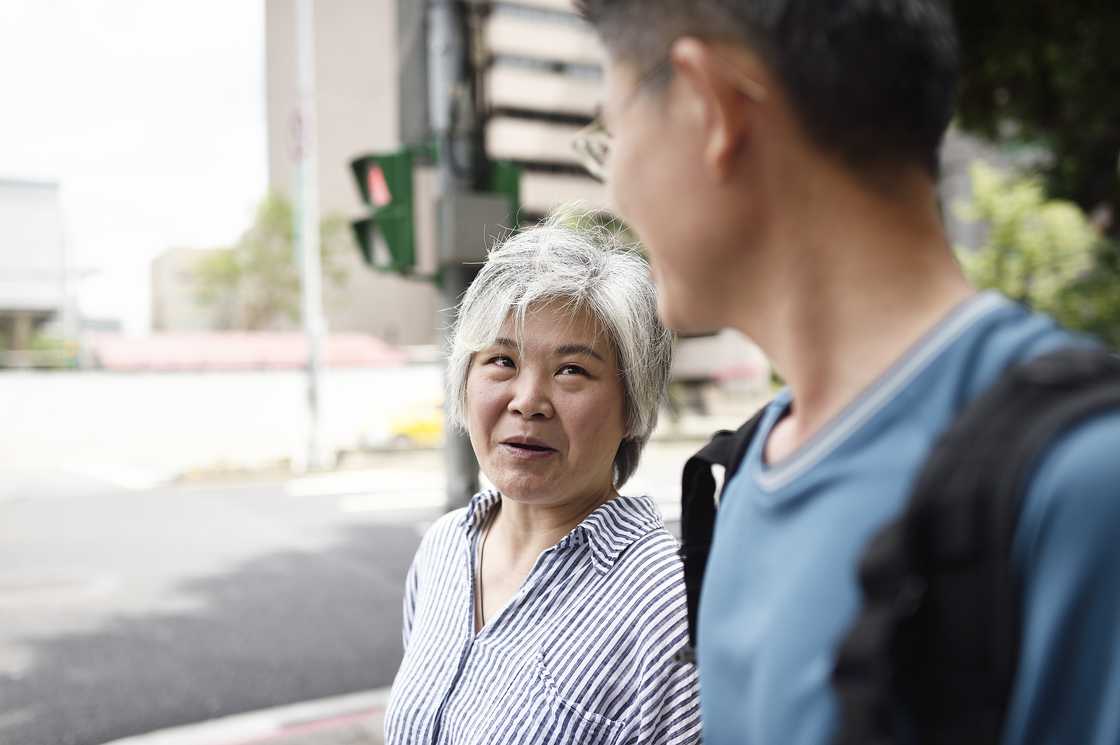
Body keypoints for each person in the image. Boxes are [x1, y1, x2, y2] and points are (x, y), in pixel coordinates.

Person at [574, 2, 1120, 744]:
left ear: (714, 108)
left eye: (610, 135)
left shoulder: (1084, 480)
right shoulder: (742, 474)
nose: (613, 189)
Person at [383, 219, 701, 745]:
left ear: (633, 406)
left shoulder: (665, 603)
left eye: (572, 370)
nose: (528, 400)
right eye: (501, 361)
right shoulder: (444, 549)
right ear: (464, 384)